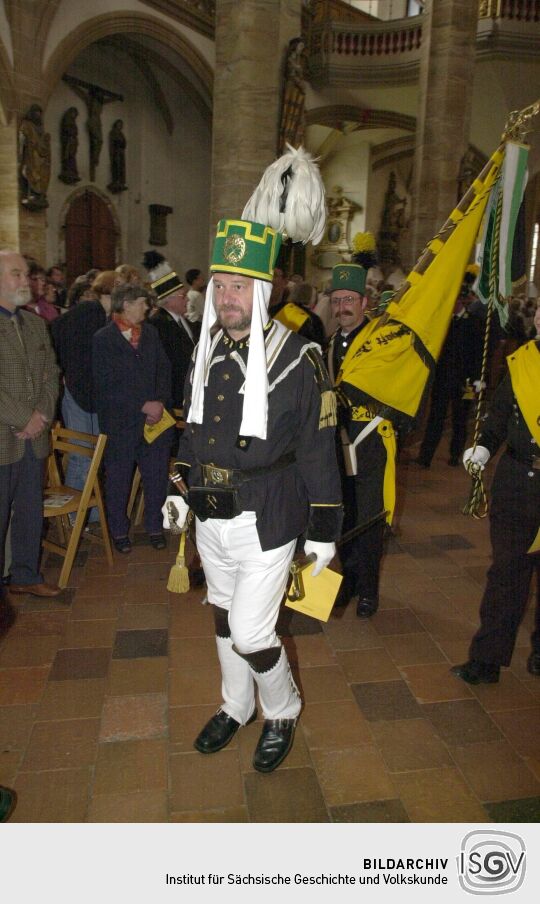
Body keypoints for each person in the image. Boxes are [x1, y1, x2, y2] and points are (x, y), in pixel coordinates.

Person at [163, 218, 342, 773]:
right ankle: (236, 705)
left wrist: (323, 530)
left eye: (239, 286)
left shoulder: (299, 356)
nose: (226, 297)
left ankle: (282, 709)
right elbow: (192, 429)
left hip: (268, 513)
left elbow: (318, 447)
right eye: (220, 285)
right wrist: (180, 487)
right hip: (209, 511)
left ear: (263, 291)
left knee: (251, 630)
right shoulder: (206, 347)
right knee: (221, 614)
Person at [451, 302, 540, 685]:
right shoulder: (522, 362)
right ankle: (487, 659)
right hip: (517, 482)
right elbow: (499, 416)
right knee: (506, 573)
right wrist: (484, 447)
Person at [327, 263, 397, 617]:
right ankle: (348, 581)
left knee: (369, 519)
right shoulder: (328, 344)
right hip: (338, 445)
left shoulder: (379, 341)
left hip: (370, 443)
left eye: (349, 300)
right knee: (343, 514)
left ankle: (368, 590)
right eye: (337, 300)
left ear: (364, 302)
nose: (342, 307)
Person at [92, 283, 173, 554]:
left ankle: (154, 526)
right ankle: (118, 530)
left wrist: (159, 403)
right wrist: (141, 406)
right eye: (142, 302)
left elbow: (164, 370)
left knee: (156, 477)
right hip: (121, 422)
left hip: (155, 422)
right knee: (118, 480)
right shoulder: (104, 338)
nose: (147, 307)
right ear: (126, 305)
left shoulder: (150, 333)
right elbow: (105, 384)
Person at [0, 250, 60, 598]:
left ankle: (25, 574)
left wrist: (41, 414)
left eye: (26, 274)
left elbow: (52, 372)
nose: (26, 281)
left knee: (29, 510)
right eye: (17, 274)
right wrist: (24, 417)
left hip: (33, 438)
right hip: (4, 435)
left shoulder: (35, 323)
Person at [51, 272, 112, 518]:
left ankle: (89, 513)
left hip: (85, 392)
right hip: (79, 393)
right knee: (82, 455)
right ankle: (75, 517)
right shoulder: (90, 312)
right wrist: (64, 371)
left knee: (92, 454)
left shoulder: (98, 314)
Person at [415, 278, 484, 468]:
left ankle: (455, 455)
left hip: (466, 382)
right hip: (443, 379)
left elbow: (478, 354)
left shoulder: (474, 323)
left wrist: (478, 379)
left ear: (460, 301)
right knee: (435, 418)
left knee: (460, 420)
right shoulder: (443, 322)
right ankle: (425, 457)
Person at [148, 269, 197, 408]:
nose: (187, 299)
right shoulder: (158, 323)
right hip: (174, 393)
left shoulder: (183, 320)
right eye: (183, 296)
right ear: (169, 299)